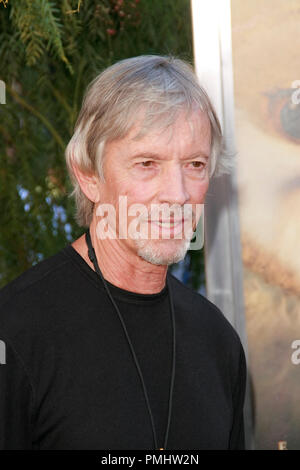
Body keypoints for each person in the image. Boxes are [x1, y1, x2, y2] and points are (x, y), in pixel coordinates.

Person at [0, 55, 246, 450]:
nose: (178, 194)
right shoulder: (15, 333)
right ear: (89, 176)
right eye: (147, 163)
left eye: (195, 164)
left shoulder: (217, 342)